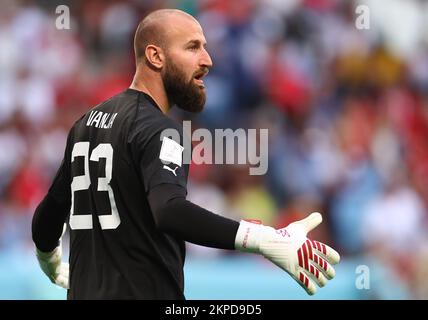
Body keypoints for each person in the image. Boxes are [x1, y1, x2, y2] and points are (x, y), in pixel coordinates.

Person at [31, 9, 340, 299]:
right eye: (193, 48)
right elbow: (169, 211)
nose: (207, 60)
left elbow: (47, 219)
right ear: (155, 56)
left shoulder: (85, 124)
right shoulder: (159, 128)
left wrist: (52, 264)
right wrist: (265, 240)